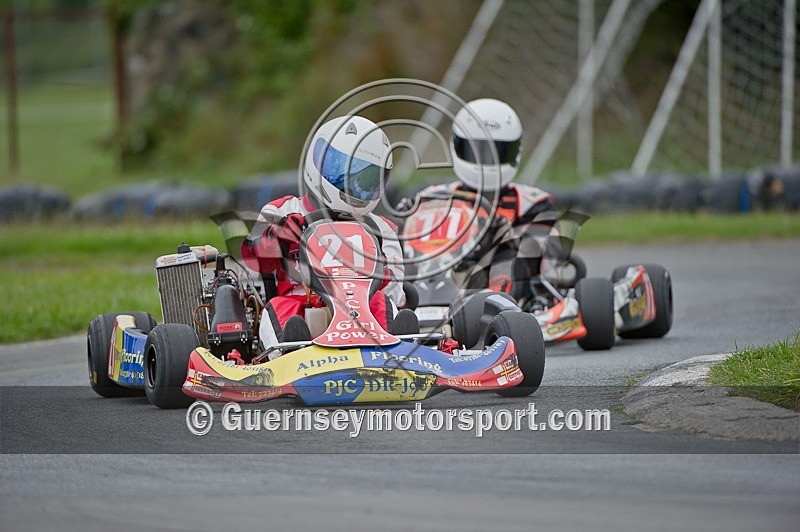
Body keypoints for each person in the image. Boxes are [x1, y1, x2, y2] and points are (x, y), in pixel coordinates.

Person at [241, 115, 403, 351]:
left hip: (362, 306)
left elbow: (396, 291)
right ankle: (292, 353)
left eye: (365, 179)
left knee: (383, 303)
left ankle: (397, 352)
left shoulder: (380, 228)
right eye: (343, 172)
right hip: (301, 303)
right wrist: (280, 238)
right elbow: (251, 255)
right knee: (279, 308)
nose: (353, 185)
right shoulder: (282, 210)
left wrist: (381, 267)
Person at [411, 98, 561, 304]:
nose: (486, 160)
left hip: (506, 294)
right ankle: (410, 306)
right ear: (458, 146)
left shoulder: (533, 204)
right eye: (477, 150)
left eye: (496, 151)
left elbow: (542, 265)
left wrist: (493, 242)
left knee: (512, 256)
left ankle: (494, 305)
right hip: (438, 285)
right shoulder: (433, 198)